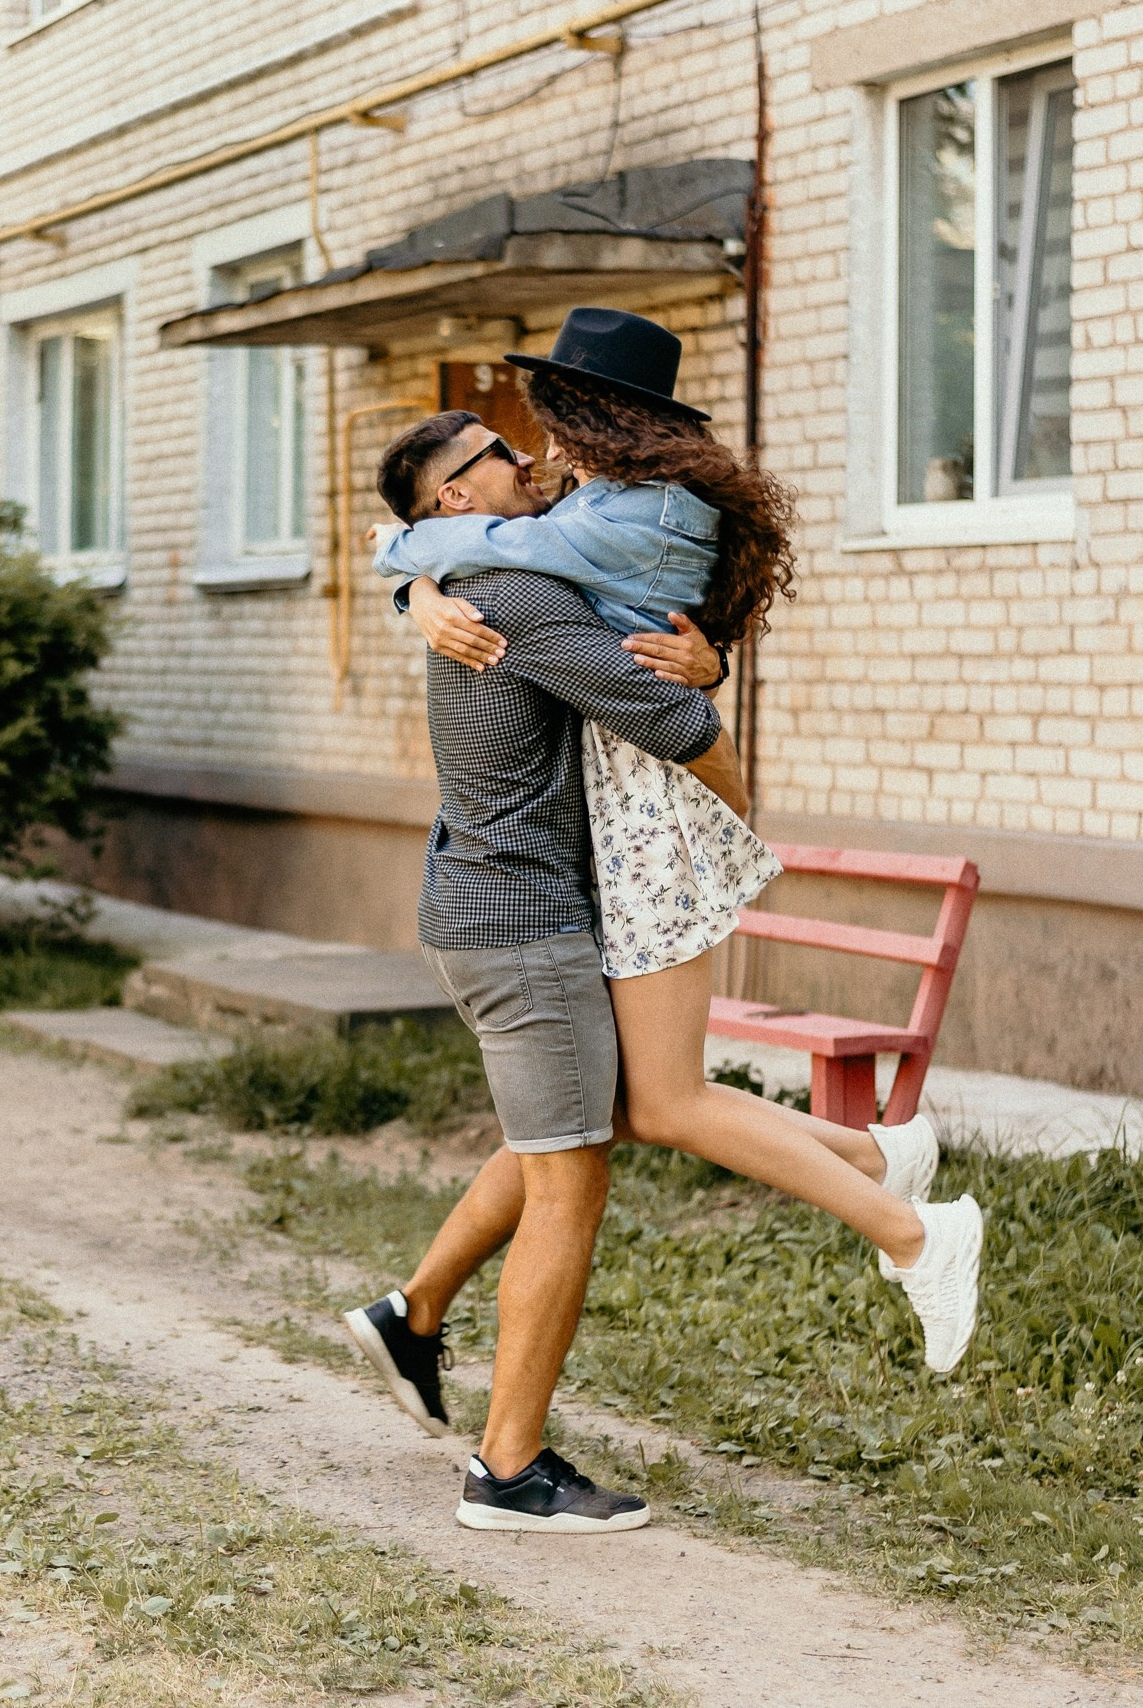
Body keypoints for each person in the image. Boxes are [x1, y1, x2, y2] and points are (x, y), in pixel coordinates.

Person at [340, 312, 983, 1534]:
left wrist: (419, 576)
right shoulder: (513, 579)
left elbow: (602, 632)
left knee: (609, 1114)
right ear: (449, 494)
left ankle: (413, 1315)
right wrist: (420, 579)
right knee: (584, 1161)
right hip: (519, 917)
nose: (522, 453)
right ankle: (507, 1468)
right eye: (491, 448)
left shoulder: (532, 558)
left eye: (527, 430)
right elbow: (636, 693)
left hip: (529, 905)